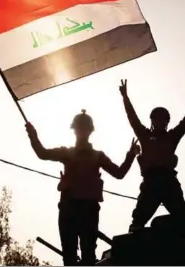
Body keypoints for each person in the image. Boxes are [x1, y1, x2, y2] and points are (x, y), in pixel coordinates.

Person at [25, 109, 140, 266]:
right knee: (69, 256)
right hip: (68, 208)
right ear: (74, 130)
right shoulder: (67, 152)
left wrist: (131, 155)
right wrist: (33, 135)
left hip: (89, 210)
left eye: (84, 128)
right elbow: (42, 153)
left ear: (90, 131)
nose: (81, 131)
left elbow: (119, 173)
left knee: (88, 257)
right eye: (78, 128)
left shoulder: (98, 155)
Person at [119, 79, 185, 234]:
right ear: (153, 121)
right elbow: (133, 119)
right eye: (157, 119)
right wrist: (125, 97)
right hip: (150, 182)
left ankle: (184, 238)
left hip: (168, 182)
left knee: (181, 216)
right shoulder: (145, 136)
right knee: (138, 221)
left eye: (163, 120)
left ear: (166, 122)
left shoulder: (172, 137)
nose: (160, 122)